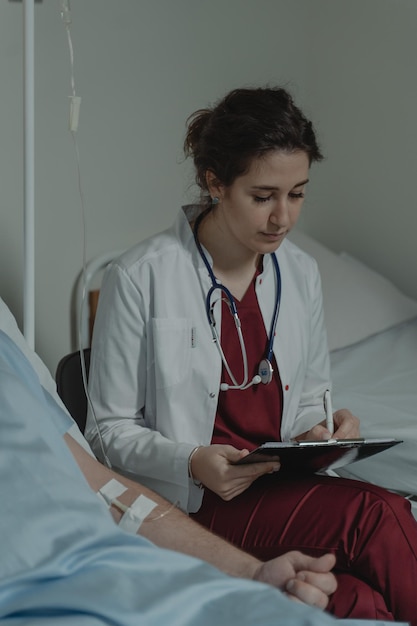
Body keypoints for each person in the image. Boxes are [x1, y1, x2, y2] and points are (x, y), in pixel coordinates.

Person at [85, 86, 417, 623]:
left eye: (298, 194)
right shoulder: (141, 276)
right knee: (376, 514)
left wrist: (322, 431)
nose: (283, 218)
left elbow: (307, 397)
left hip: (277, 486)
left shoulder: (301, 273)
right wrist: (190, 461)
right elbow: (105, 432)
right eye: (263, 196)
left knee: (358, 598)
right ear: (216, 183)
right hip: (195, 502)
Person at [0, 301, 344, 625]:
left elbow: (108, 493)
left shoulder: (7, 361)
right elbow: (111, 432)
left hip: (129, 577)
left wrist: (251, 573)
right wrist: (190, 461)